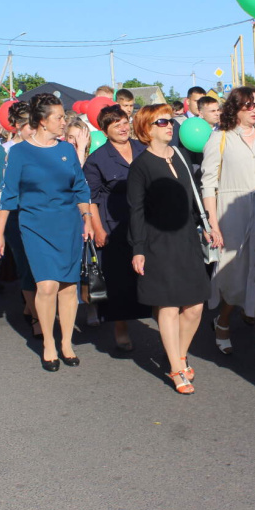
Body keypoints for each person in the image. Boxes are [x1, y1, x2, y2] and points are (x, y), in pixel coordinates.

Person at [0, 94, 92, 371]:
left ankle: (67, 342)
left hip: (68, 224)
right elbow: (8, 195)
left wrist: (88, 218)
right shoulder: (20, 152)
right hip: (35, 225)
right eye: (59, 117)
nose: (64, 122)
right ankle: (48, 341)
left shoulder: (67, 150)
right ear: (42, 121)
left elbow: (80, 188)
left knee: (69, 286)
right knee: (47, 285)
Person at [128, 104, 211, 394]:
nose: (169, 125)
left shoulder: (180, 155)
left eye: (170, 120)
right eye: (161, 122)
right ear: (146, 130)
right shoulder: (140, 166)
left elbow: (194, 197)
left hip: (187, 238)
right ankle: (176, 369)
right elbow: (135, 210)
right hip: (156, 242)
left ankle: (178, 354)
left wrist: (207, 227)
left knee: (196, 306)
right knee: (169, 305)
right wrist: (138, 248)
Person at [201, 86, 255, 368]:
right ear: (234, 109)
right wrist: (213, 223)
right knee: (233, 277)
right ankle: (222, 321)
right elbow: (208, 183)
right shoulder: (220, 139)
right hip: (232, 215)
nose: (254, 109)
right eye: (248, 105)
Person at [83, 105, 151, 351]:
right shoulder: (97, 159)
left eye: (124, 122)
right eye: (116, 125)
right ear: (105, 130)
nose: (123, 128)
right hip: (114, 226)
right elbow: (90, 198)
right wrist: (98, 228)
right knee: (120, 281)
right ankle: (120, 326)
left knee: (149, 276)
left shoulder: (144, 149)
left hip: (146, 224)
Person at [0, 101, 41, 335]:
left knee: (41, 266)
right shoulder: (2, 151)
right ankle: (37, 319)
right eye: (27, 125)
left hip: (41, 214)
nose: (32, 129)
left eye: (35, 124)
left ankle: (32, 307)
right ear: (15, 126)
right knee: (26, 266)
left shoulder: (42, 147)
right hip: (14, 216)